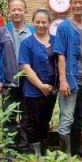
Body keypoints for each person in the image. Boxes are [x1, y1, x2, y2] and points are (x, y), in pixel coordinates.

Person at [54, 0, 82, 157]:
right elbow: (60, 55)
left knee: (80, 117)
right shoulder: (64, 27)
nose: (78, 5)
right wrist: (63, 80)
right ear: (70, 4)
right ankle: (65, 154)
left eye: (81, 2)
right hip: (70, 80)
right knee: (67, 117)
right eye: (75, 2)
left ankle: (76, 147)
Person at [20, 9, 58, 154]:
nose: (41, 25)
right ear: (33, 23)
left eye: (44, 22)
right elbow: (25, 67)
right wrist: (40, 86)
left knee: (45, 119)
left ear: (49, 23)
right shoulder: (27, 43)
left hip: (52, 90)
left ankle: (44, 148)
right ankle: (35, 152)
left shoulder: (56, 40)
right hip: (33, 90)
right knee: (33, 121)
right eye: (38, 22)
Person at [0, 0, 33, 153]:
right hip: (8, 81)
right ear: (9, 12)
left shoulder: (32, 31)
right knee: (9, 115)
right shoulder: (2, 32)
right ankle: (10, 147)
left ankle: (24, 145)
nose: (16, 12)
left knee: (27, 115)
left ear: (25, 11)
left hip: (28, 81)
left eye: (20, 9)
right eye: (13, 9)